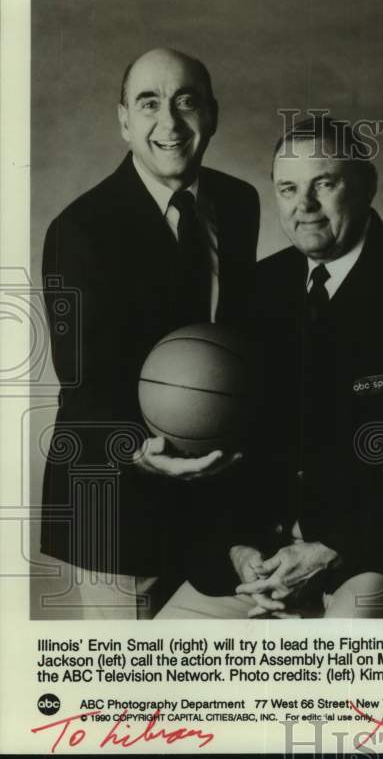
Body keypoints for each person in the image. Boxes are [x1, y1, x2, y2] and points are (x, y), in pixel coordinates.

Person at [159, 115, 383, 618]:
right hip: (270, 562)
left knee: (341, 646)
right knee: (160, 655)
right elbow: (234, 444)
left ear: (366, 186)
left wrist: (331, 549)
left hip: (382, 557)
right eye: (287, 188)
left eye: (324, 184)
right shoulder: (258, 290)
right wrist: (240, 552)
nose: (303, 206)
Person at [40, 48, 259, 619]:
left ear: (212, 114)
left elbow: (230, 345)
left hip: (215, 501)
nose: (170, 122)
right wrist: (141, 451)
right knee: (130, 692)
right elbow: (84, 385)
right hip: (119, 503)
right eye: (149, 103)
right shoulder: (79, 231)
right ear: (123, 122)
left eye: (186, 101)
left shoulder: (239, 204)